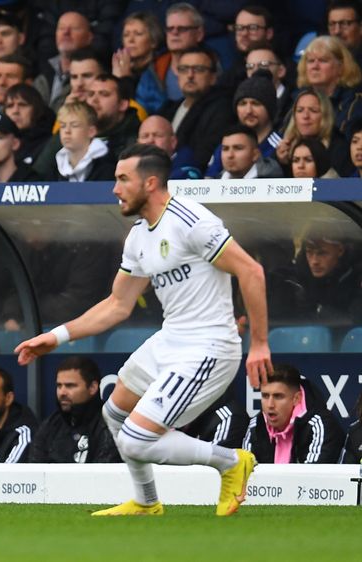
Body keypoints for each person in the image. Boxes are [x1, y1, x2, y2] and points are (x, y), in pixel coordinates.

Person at [15, 143, 272, 516]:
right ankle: (147, 502)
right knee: (114, 414)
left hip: (208, 347)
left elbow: (252, 271)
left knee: (136, 440)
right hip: (170, 340)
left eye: (122, 179)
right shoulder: (138, 236)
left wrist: (260, 343)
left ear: (150, 182)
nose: (115, 188)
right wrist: (55, 337)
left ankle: (230, 462)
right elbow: (117, 305)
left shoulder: (191, 221)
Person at [243, 364, 345, 464]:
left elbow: (312, 478)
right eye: (265, 396)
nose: (270, 405)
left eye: (278, 396)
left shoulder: (320, 425)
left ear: (296, 398)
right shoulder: (256, 424)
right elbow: (246, 473)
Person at [29, 356, 121, 463]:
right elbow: (35, 470)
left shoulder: (108, 425)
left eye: (70, 386)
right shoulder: (51, 424)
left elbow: (103, 475)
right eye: (59, 386)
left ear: (92, 388)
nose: (62, 392)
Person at [215, 124, 283, 179]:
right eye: (225, 149)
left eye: (238, 148)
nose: (230, 155)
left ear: (255, 154)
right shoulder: (215, 183)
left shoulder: (273, 181)